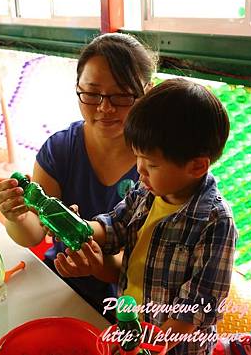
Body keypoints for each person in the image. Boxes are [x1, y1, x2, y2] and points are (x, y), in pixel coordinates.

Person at [54, 79, 237, 355]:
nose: (140, 169)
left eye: (151, 163)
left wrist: (153, 347)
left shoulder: (215, 223)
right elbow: (115, 226)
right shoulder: (146, 191)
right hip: (131, 325)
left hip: (174, 347)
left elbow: (196, 308)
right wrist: (79, 226)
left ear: (197, 166)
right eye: (138, 157)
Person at [0, 33, 156, 316]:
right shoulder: (60, 149)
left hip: (129, 300)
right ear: (78, 88)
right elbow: (33, 234)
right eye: (92, 93)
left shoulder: (159, 163)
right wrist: (16, 216)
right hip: (60, 281)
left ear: (147, 92)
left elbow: (146, 267)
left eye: (121, 95)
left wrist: (98, 265)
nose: (105, 107)